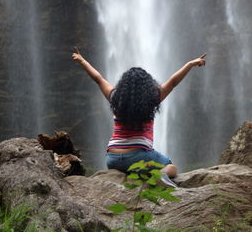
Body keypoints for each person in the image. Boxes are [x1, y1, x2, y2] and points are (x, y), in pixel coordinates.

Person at [72, 48, 207, 187]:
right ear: (147, 86)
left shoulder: (114, 98)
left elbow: (98, 78)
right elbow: (172, 82)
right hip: (139, 157)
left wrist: (82, 61)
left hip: (112, 159)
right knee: (171, 167)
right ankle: (160, 176)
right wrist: (190, 64)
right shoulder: (152, 99)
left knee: (130, 164)